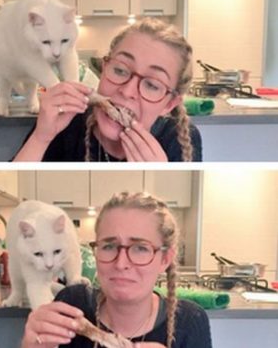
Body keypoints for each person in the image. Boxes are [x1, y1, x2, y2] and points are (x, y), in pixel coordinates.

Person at [21, 192, 211, 348]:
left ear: (165, 259)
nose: (120, 264)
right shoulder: (72, 305)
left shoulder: (189, 321)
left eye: (140, 248)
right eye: (109, 246)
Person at [14, 18, 202, 162]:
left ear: (169, 104)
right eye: (120, 70)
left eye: (152, 85)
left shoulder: (178, 137)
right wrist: (41, 137)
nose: (127, 91)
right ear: (104, 68)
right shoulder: (68, 121)